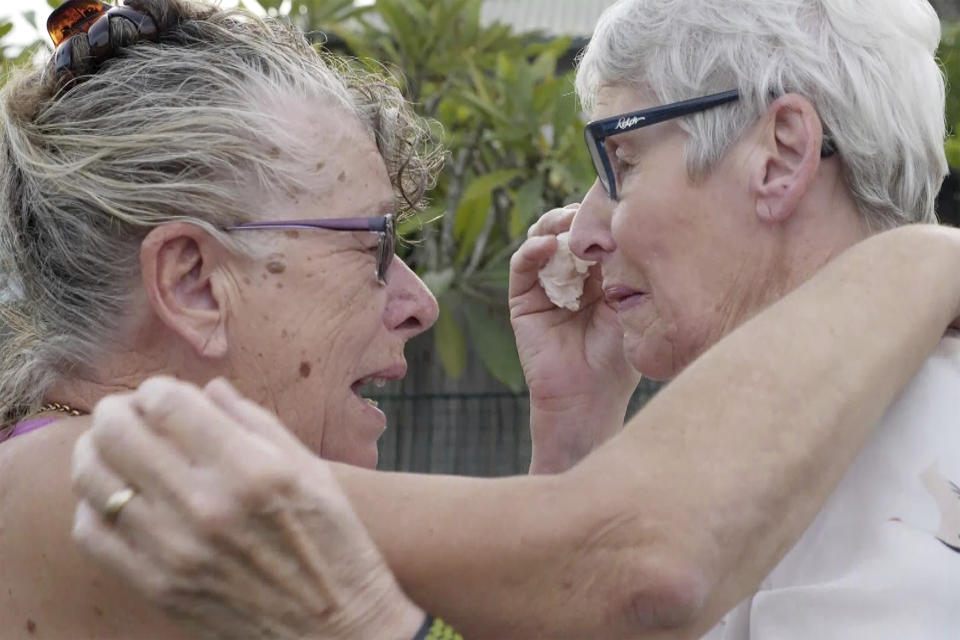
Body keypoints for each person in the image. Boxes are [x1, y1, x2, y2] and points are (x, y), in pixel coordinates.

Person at [66, 1, 960, 639]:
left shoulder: (925, 466)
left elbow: (640, 568)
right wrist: (575, 444)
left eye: (621, 160)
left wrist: (365, 620)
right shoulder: (790, 454)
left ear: (781, 156)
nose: (589, 225)